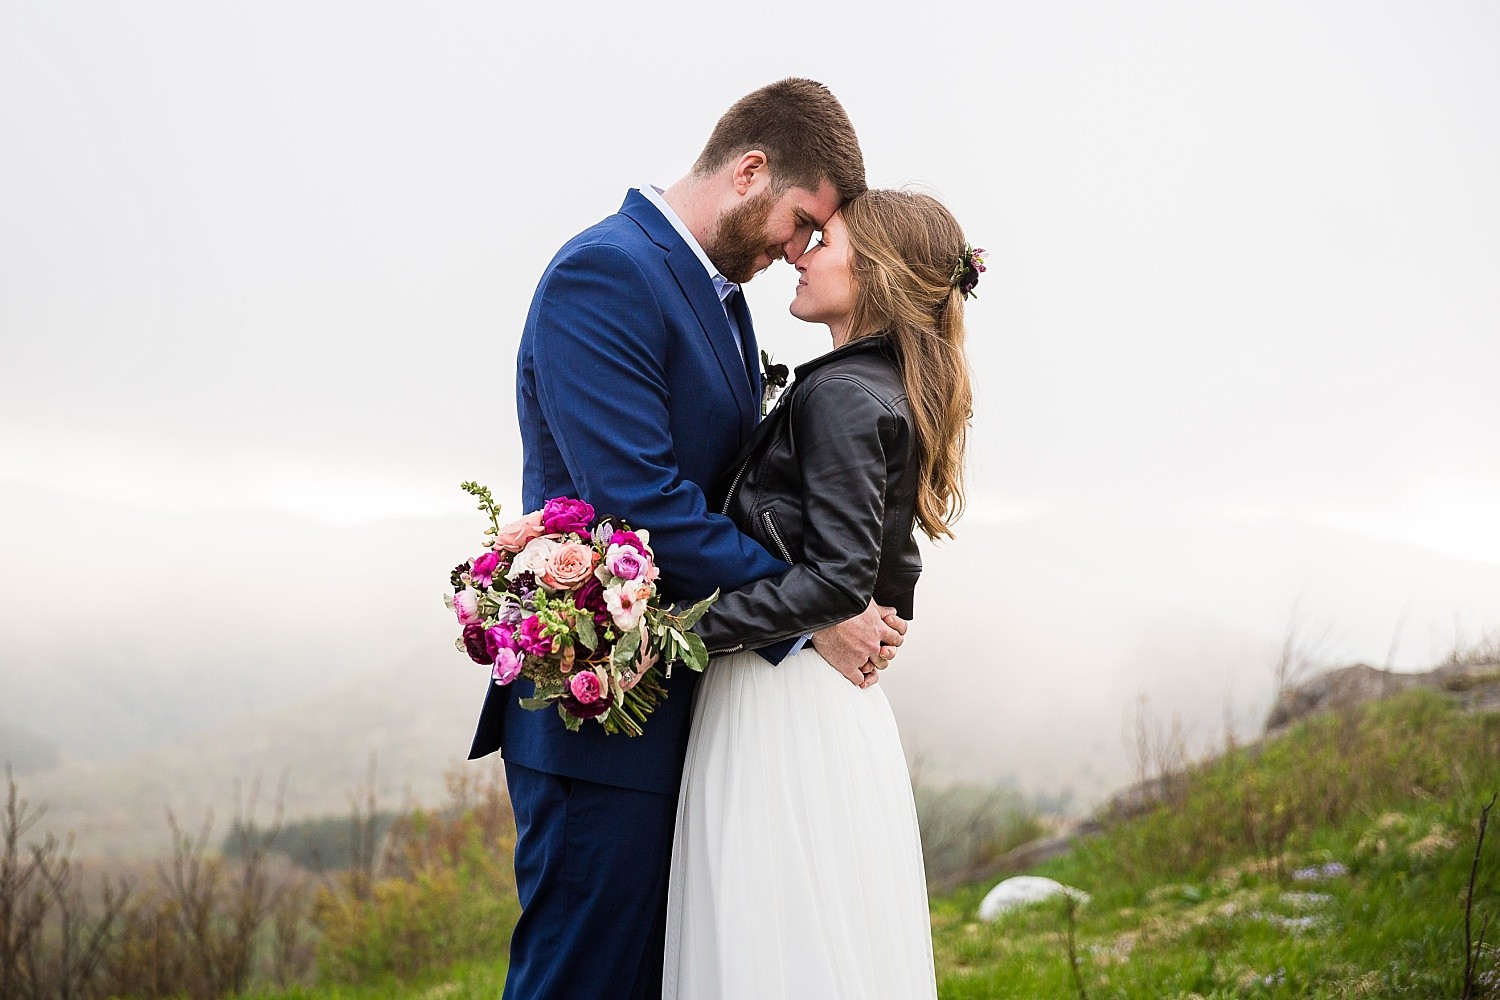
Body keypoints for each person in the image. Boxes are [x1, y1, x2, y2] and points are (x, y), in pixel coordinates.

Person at [467, 80, 909, 1000]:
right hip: (603, 721)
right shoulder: (607, 272)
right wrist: (813, 613)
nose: (799, 251)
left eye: (816, 239)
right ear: (750, 170)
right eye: (801, 222)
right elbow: (647, 507)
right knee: (582, 981)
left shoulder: (724, 303)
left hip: (688, 709)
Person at [665, 189, 977, 999]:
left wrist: (679, 630)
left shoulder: (840, 393)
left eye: (820, 240)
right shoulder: (878, 385)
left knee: (768, 946)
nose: (799, 253)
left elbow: (838, 579)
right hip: (827, 706)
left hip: (782, 704)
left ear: (872, 271)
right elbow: (885, 570)